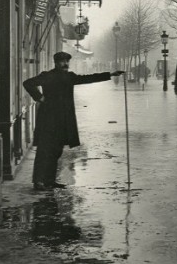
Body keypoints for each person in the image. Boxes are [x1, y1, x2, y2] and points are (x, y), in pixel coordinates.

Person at [23, 51, 122, 190]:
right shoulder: (47, 76)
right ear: (56, 63)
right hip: (48, 119)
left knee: (56, 151)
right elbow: (28, 83)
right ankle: (38, 181)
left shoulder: (69, 77)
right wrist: (39, 97)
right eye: (63, 61)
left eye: (67, 61)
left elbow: (88, 78)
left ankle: (49, 181)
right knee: (44, 151)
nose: (66, 64)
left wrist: (110, 74)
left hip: (64, 119)